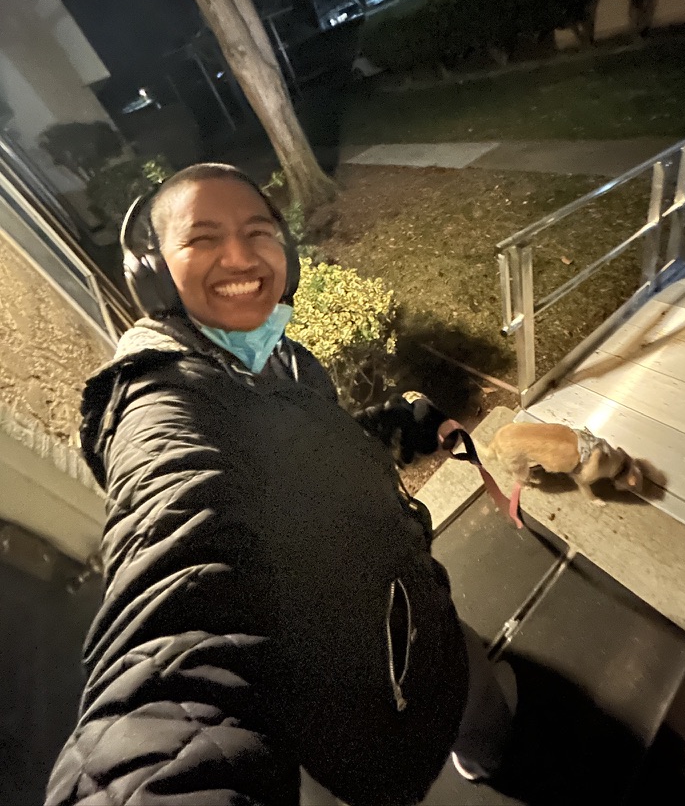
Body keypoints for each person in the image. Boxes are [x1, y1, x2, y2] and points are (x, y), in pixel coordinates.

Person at [46, 163, 515, 806]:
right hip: (366, 699)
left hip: (408, 613)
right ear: (155, 275)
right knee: (479, 719)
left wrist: (405, 428)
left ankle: (483, 753)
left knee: (477, 702)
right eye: (203, 238)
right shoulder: (162, 403)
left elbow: (312, 452)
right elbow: (172, 613)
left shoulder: (273, 354)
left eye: (258, 231)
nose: (239, 255)